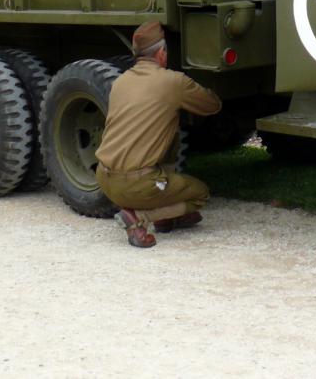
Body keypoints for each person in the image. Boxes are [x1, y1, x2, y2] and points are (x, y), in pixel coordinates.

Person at [95, 21, 222, 248]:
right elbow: (212, 105)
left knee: (169, 140)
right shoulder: (172, 82)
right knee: (199, 194)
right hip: (138, 185)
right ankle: (141, 218)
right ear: (162, 52)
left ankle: (168, 216)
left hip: (105, 178)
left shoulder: (120, 82)